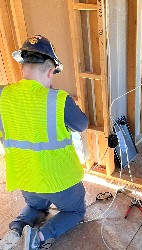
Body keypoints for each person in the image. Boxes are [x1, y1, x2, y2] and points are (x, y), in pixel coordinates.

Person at [0, 35, 88, 249]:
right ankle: (39, 237)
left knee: (35, 205)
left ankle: (16, 229)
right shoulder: (58, 99)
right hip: (59, 181)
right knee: (76, 210)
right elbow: (82, 124)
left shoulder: (2, 94)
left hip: (25, 178)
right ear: (50, 71)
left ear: (23, 68)